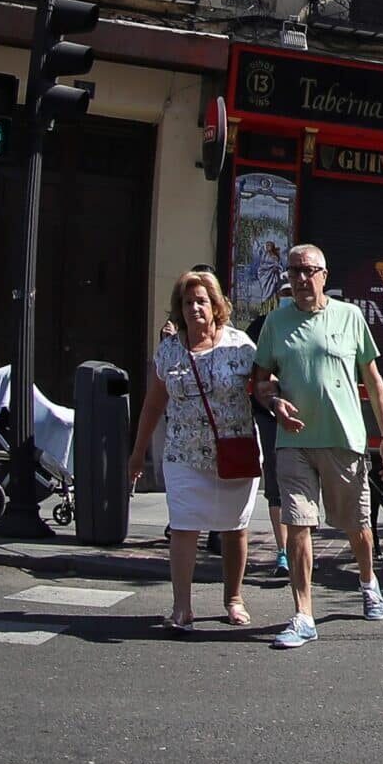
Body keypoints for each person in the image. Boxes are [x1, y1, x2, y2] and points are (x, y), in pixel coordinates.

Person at [253, 243, 383, 650]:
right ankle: (303, 615)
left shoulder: (350, 317)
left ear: (324, 275)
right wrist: (274, 401)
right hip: (294, 442)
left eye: (308, 271)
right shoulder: (275, 324)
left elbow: (373, 381)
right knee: (298, 525)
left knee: (357, 525)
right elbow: (262, 381)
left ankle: (368, 581)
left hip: (343, 440)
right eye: (294, 271)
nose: (301, 278)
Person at [128, 269, 263, 631]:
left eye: (201, 301)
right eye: (187, 302)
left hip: (234, 453)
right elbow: (154, 406)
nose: (194, 308)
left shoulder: (240, 346)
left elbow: (265, 390)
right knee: (185, 527)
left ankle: (233, 598)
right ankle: (182, 607)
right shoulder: (169, 351)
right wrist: (138, 452)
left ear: (216, 305)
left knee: (235, 528)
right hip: (183, 456)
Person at [247, 280, 294, 580]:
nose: (291, 296)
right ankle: (284, 551)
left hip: (306, 415)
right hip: (269, 416)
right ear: (278, 296)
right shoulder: (262, 326)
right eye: (286, 293)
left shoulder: (314, 321)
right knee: (276, 484)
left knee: (303, 484)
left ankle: (302, 545)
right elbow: (252, 370)